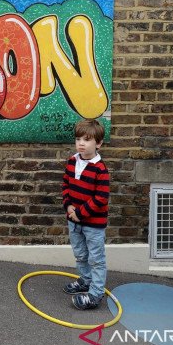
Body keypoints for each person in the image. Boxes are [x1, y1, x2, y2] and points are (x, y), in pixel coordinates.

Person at [61, 118, 110, 310]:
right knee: (80, 254)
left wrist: (80, 213)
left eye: (87, 139)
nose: (81, 143)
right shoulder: (72, 161)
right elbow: (65, 186)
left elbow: (101, 198)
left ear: (98, 144)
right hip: (74, 221)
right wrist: (68, 207)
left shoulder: (100, 169)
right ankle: (85, 280)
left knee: (96, 259)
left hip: (92, 224)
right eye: (78, 139)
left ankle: (96, 294)